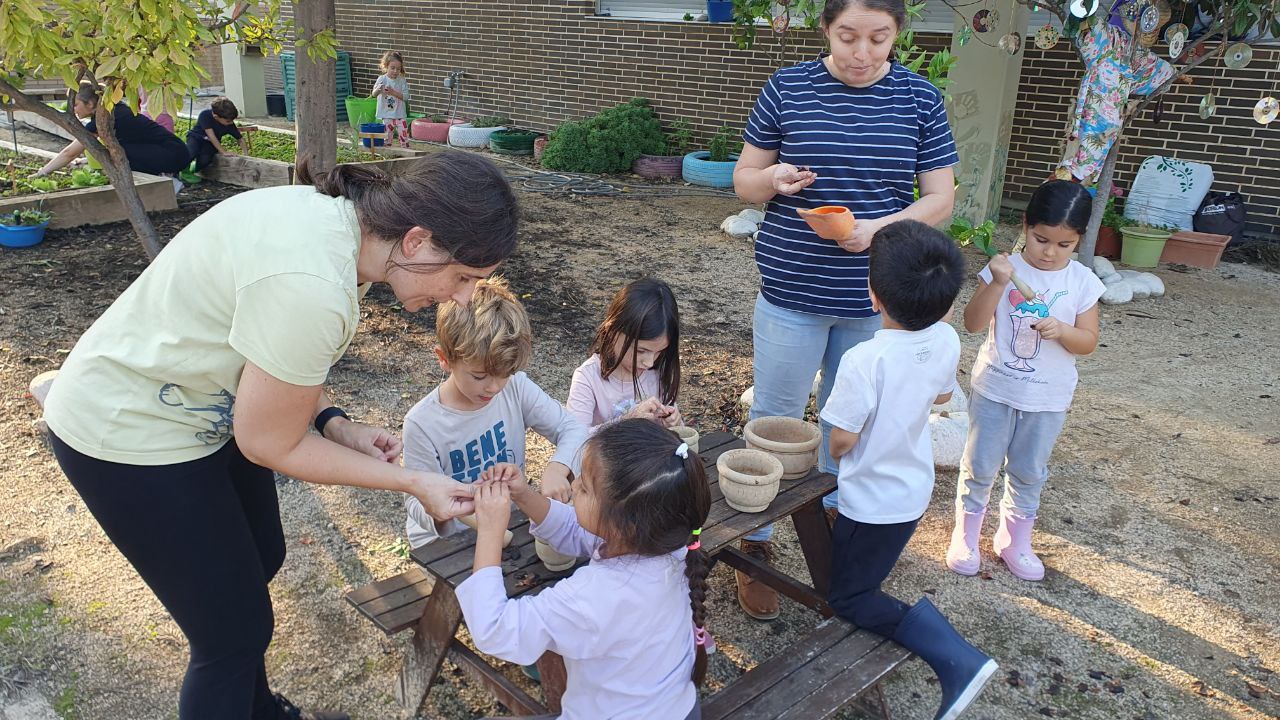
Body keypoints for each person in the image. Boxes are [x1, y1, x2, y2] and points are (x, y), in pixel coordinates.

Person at [41, 150, 520, 720]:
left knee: (260, 556)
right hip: (128, 430)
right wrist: (414, 481)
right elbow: (269, 443)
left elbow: (272, 352)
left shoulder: (350, 235)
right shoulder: (313, 282)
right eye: (464, 277)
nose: (464, 297)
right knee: (231, 636)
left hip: (196, 408)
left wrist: (333, 422)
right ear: (417, 241)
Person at [729, 0, 960, 620]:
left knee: (849, 422)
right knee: (775, 416)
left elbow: (940, 198)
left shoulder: (918, 98)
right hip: (791, 287)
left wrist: (877, 229)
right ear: (826, 29)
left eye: (878, 38)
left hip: (874, 298)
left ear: (898, 34)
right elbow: (744, 178)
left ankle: (836, 531)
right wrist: (771, 179)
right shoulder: (789, 87)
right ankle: (756, 544)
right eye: (847, 36)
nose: (862, 53)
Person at [821, 220, 997, 720]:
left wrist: (835, 447)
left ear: (873, 295)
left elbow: (842, 440)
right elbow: (940, 396)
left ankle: (957, 658)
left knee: (849, 596)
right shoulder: (946, 339)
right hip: (912, 488)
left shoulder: (864, 359)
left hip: (870, 498)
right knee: (864, 568)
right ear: (945, 304)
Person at [460, 419, 709, 720]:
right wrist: (524, 494)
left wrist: (490, 530)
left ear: (624, 525)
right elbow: (577, 529)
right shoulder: (671, 545)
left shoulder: (594, 596)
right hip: (679, 709)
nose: (574, 484)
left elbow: (495, 629)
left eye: (586, 488)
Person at [946, 180, 1105, 582]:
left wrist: (1063, 330)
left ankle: (1014, 540)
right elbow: (973, 323)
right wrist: (999, 282)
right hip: (995, 388)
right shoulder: (1004, 269)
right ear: (1026, 226)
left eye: (1064, 244)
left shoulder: (1083, 281)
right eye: (1041, 239)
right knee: (979, 465)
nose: (1050, 252)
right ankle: (966, 535)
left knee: (1030, 470)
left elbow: (1087, 342)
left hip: (1048, 397)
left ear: (1079, 239)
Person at [403, 277, 588, 548]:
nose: (494, 387)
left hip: (507, 523)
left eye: (505, 374)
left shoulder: (515, 388)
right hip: (448, 542)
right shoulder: (422, 423)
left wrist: (558, 469)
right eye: (479, 376)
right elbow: (415, 503)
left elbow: (573, 429)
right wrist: (442, 512)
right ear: (444, 359)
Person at [566, 278, 682, 432]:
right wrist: (626, 421)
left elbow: (677, 436)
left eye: (660, 352)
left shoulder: (657, 373)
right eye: (641, 351)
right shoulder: (588, 378)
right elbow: (574, 437)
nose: (649, 362)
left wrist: (673, 424)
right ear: (612, 331)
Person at [36, 82, 189, 179]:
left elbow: (70, 152)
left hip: (173, 155)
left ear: (90, 104)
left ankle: (166, 179)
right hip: (173, 151)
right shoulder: (112, 110)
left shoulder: (107, 117)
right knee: (115, 151)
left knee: (117, 153)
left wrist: (42, 172)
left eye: (75, 104)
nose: (72, 109)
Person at [185, 96, 245, 173]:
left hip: (210, 143)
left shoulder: (229, 124)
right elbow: (211, 136)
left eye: (232, 120)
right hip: (196, 137)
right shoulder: (205, 115)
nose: (231, 123)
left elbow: (240, 139)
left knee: (205, 159)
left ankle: (195, 171)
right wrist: (223, 152)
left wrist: (245, 154)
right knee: (191, 153)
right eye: (228, 121)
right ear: (216, 117)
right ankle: (179, 170)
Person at [372, 51, 410, 148]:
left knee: (404, 135)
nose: (395, 71)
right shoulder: (382, 79)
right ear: (386, 66)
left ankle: (405, 149)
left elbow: (406, 97)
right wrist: (378, 89)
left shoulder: (402, 80)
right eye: (392, 68)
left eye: (398, 69)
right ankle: (388, 151)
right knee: (387, 137)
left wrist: (393, 92)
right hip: (386, 114)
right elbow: (373, 94)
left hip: (400, 114)